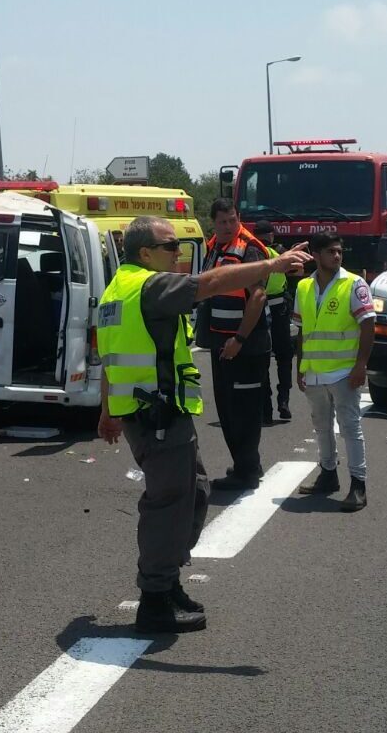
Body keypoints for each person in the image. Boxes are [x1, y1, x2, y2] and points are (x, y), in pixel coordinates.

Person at [98, 215, 311, 634]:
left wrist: (107, 411)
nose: (179, 254)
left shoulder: (115, 290)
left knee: (192, 493)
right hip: (158, 415)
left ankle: (167, 583)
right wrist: (270, 265)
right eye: (170, 246)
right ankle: (155, 600)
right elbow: (210, 284)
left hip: (150, 413)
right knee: (169, 504)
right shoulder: (150, 286)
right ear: (145, 253)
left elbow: (109, 357)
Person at [294, 232, 376, 512]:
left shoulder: (354, 284)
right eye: (330, 252)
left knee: (350, 428)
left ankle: (358, 484)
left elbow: (368, 325)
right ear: (315, 255)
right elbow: (302, 329)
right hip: (315, 372)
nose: (337, 256)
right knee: (321, 427)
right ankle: (328, 473)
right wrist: (299, 366)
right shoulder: (304, 287)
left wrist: (361, 364)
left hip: (343, 372)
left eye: (339, 251)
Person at [195, 199, 272, 491]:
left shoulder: (248, 249)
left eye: (232, 220)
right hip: (222, 344)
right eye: (222, 222)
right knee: (227, 409)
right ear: (213, 223)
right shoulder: (215, 247)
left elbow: (258, 297)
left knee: (243, 412)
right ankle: (245, 464)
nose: (228, 226)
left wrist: (239, 339)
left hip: (245, 346)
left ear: (238, 219)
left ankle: (247, 471)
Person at [253, 222, 296, 423]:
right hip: (279, 309)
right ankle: (284, 400)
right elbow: (296, 270)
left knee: (262, 357)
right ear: (271, 235)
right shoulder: (278, 253)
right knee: (284, 356)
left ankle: (266, 407)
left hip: (259, 308)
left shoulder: (252, 254)